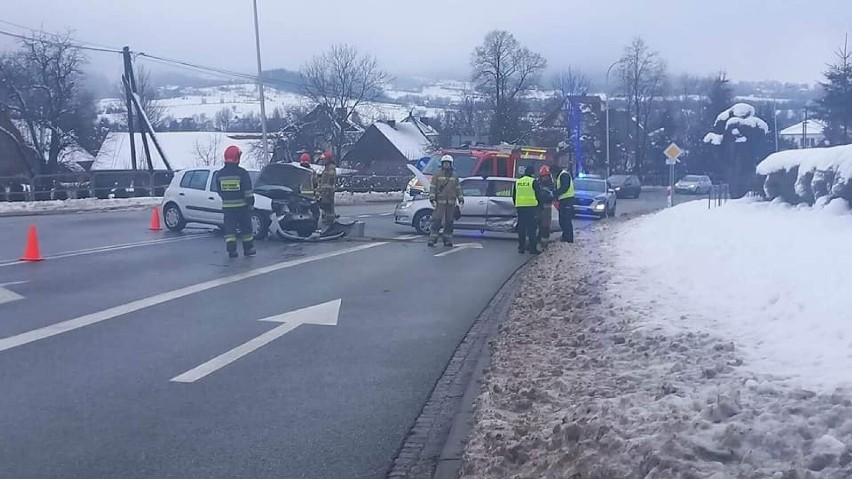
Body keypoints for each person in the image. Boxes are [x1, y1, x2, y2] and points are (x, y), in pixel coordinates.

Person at [215, 145, 256, 258]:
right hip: (242, 208)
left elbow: (219, 190)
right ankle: (248, 249)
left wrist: (227, 198)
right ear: (237, 157)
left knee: (230, 231)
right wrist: (250, 203)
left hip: (228, 209)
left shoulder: (220, 174)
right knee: (246, 229)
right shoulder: (242, 173)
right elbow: (248, 191)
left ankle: (232, 251)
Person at [428, 155, 464, 247]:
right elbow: (433, 187)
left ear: (451, 164)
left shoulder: (454, 176)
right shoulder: (437, 175)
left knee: (449, 222)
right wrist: (432, 198)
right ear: (442, 164)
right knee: (436, 221)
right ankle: (432, 239)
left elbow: (458, 188)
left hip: (451, 203)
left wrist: (460, 199)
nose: (446, 165)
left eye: (448, 163)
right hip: (440, 203)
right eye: (445, 163)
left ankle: (447, 239)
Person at [513, 166, 542, 254]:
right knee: (531, 229)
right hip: (531, 208)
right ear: (532, 173)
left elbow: (514, 195)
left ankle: (521, 247)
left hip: (520, 207)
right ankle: (532, 248)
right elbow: (538, 195)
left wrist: (517, 204)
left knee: (521, 228)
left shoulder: (518, 181)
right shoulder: (533, 181)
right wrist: (540, 206)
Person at [555, 166, 576, 243]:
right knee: (562, 220)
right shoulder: (561, 175)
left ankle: (569, 238)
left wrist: (555, 193)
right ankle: (565, 236)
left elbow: (565, 187)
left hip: (567, 200)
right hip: (563, 200)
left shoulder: (564, 175)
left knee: (566, 220)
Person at [317, 150, 337, 227]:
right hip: (325, 192)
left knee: (328, 208)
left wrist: (327, 192)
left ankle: (330, 223)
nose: (322, 161)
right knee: (326, 208)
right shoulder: (327, 168)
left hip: (327, 193)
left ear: (328, 160)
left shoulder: (330, 169)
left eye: (323, 159)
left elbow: (329, 182)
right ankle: (327, 221)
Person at [537, 165, 555, 247]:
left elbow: (553, 195)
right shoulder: (537, 184)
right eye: (543, 176)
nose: (545, 178)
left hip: (547, 208)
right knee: (536, 225)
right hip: (537, 207)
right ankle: (534, 241)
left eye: (546, 176)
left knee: (545, 226)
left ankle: (544, 243)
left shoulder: (552, 185)